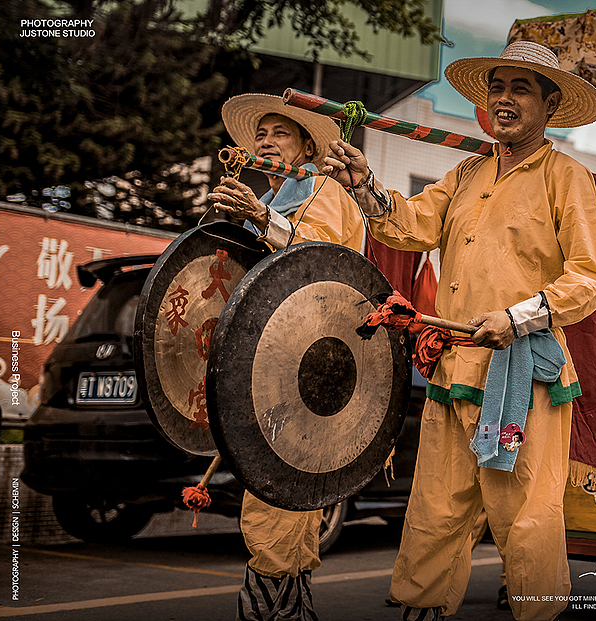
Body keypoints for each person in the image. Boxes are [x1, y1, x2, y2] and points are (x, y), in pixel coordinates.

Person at [320, 41, 596, 621]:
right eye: (496, 87)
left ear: (550, 105)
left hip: (525, 375)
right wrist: (364, 186)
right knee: (433, 509)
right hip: (453, 371)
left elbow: (590, 277)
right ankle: (421, 611)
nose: (503, 99)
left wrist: (516, 316)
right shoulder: (466, 173)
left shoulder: (566, 176)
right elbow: (408, 226)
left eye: (520, 88)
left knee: (526, 519)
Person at [206, 93, 362, 621]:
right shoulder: (271, 203)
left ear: (305, 148)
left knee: (280, 493)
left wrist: (258, 215)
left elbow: (314, 257)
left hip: (314, 367)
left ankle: (270, 611)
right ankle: (290, 610)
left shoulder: (324, 190)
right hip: (275, 365)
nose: (266, 141)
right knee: (281, 491)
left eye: (280, 133)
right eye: (262, 133)